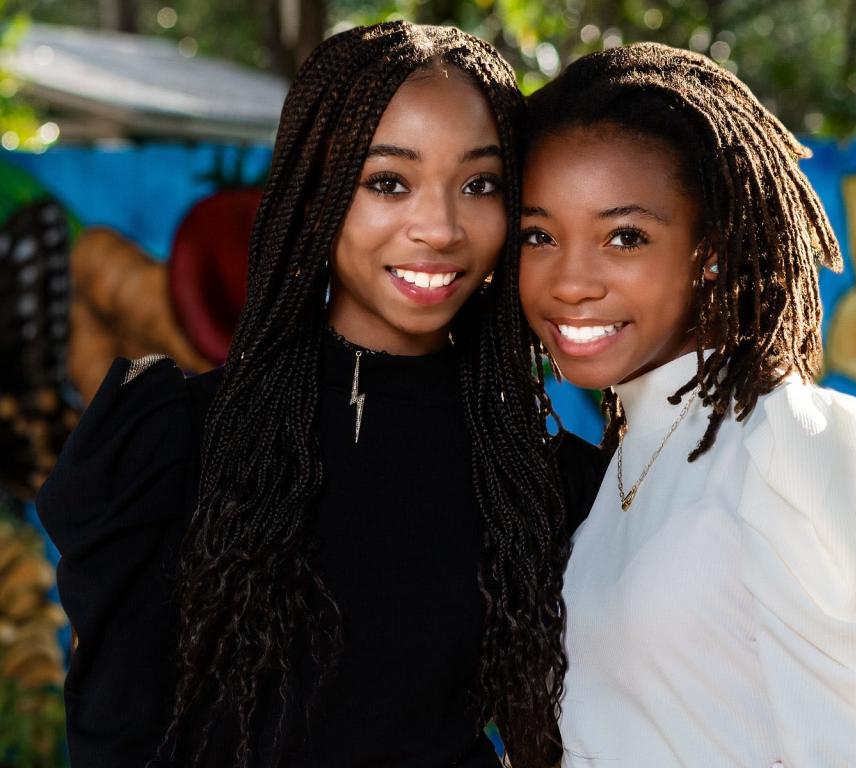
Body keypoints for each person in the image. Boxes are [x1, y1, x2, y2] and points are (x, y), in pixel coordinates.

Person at [38, 21, 605, 768]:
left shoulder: (544, 482)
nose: (438, 227)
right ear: (315, 196)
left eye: (480, 184)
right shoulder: (170, 441)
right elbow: (112, 738)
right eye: (388, 182)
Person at [518, 42, 856, 767]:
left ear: (709, 248)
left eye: (625, 237)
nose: (570, 281)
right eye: (540, 235)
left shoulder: (793, 445)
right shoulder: (623, 465)